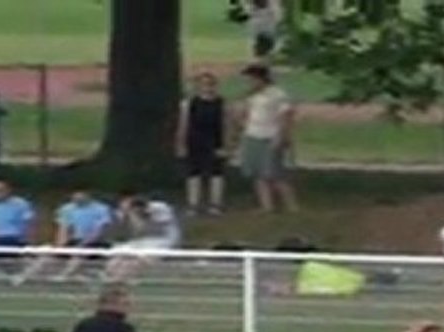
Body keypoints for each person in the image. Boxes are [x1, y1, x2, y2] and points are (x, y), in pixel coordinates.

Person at [12, 190, 112, 285]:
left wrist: (84, 243)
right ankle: (23, 277)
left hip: (96, 243)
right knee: (48, 253)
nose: (77, 197)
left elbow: (99, 230)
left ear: (87, 195)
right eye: (75, 195)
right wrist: (59, 245)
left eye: (80, 194)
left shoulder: (101, 209)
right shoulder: (67, 209)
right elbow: (63, 229)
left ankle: (63, 277)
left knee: (80, 252)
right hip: (74, 241)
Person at [239, 64, 299, 213]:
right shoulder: (251, 95)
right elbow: (245, 113)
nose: (249, 83)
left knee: (275, 174)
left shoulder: (277, 94)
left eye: (252, 79)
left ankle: (292, 206)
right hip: (253, 134)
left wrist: (281, 136)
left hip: (270, 136)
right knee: (258, 173)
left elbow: (286, 116)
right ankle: (266, 206)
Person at [178, 72, 228, 216]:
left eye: (210, 84)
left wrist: (226, 144)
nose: (207, 87)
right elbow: (184, 124)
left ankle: (215, 203)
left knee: (216, 172)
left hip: (214, 140)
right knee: (194, 172)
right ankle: (193, 203)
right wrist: (181, 144)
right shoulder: (189, 103)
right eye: (203, 84)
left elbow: (225, 124)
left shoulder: (221, 103)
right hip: (194, 140)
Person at [104, 193, 181, 282]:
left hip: (165, 239)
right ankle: (109, 275)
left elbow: (154, 224)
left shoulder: (160, 207)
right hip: (145, 240)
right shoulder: (133, 213)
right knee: (119, 251)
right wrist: (129, 215)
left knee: (141, 257)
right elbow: (137, 232)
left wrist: (136, 214)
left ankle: (123, 278)